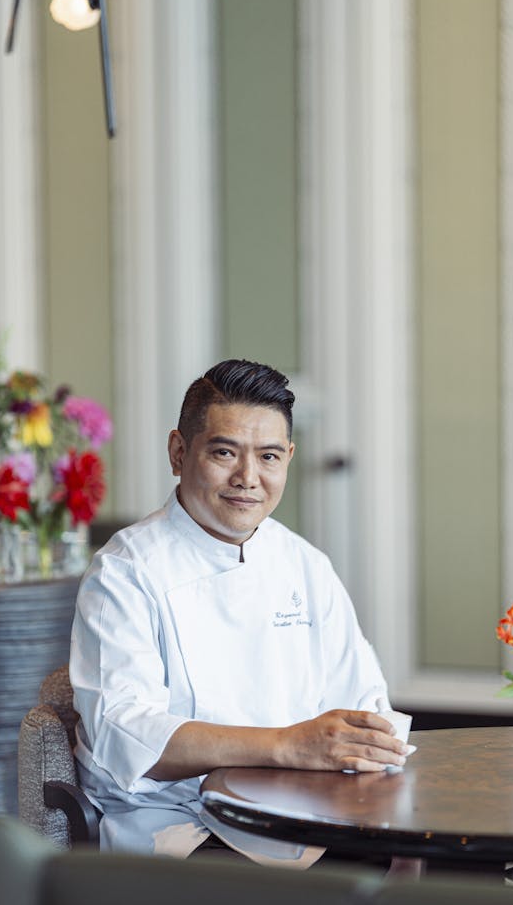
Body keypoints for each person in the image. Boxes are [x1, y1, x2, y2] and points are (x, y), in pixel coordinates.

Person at [70, 359, 410, 866]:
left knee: (429, 864)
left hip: (307, 806)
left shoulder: (306, 565)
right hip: (178, 824)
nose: (248, 478)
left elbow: (362, 702)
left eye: (268, 457)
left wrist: (365, 744)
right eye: (224, 452)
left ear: (288, 459)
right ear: (179, 452)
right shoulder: (124, 571)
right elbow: (125, 734)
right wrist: (289, 745)